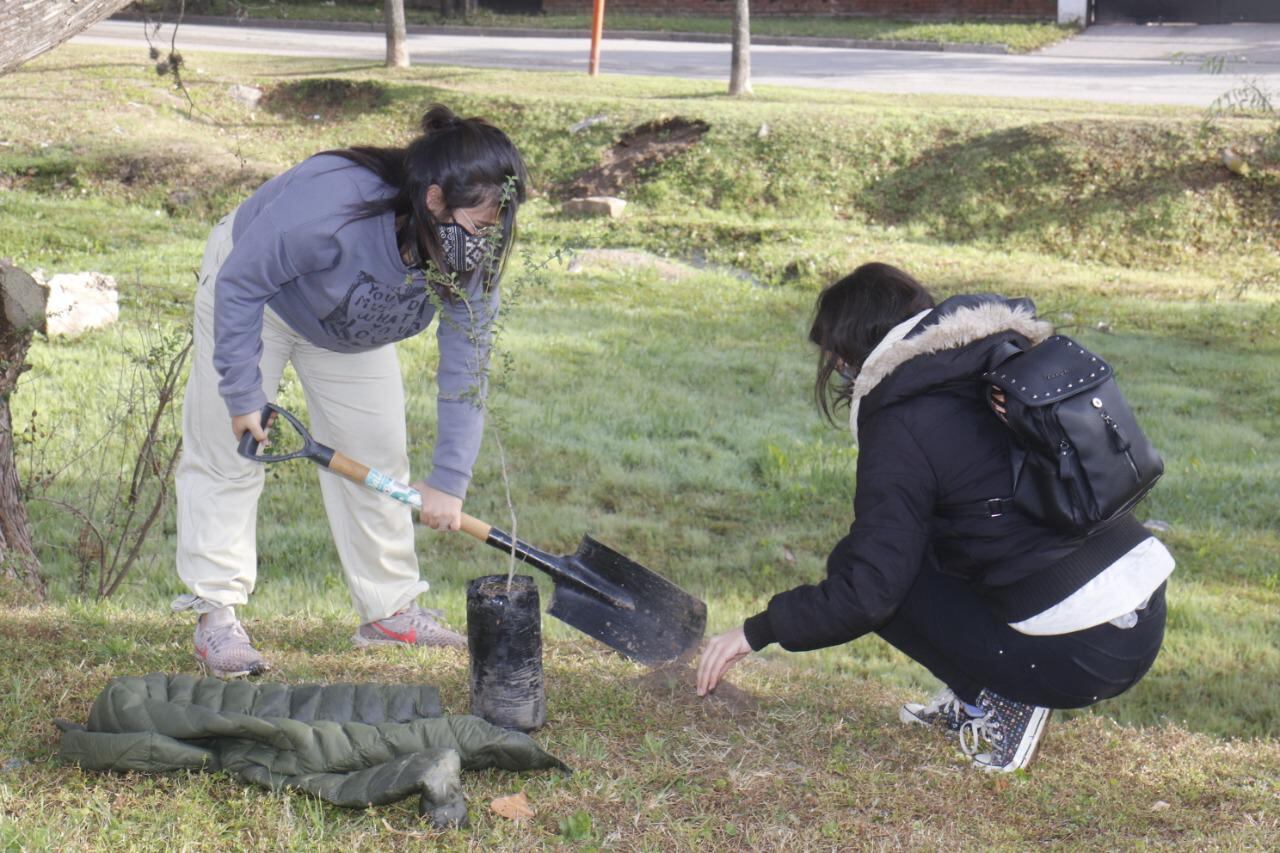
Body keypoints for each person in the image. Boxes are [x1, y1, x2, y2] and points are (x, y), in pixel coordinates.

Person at [696, 262, 1173, 772]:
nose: (837, 368)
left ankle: (1004, 701)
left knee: (863, 568)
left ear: (855, 351)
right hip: (1141, 617)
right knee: (912, 549)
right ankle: (998, 687)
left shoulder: (902, 418)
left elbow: (868, 593)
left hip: (1078, 657)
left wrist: (756, 630)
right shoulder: (990, 360)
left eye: (836, 358)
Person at [171, 105, 528, 677]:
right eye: (479, 226)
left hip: (346, 328)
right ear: (434, 200)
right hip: (259, 301)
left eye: (498, 228)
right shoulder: (330, 208)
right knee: (230, 452)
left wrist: (450, 482)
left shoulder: (469, 259)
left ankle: (388, 611)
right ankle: (217, 614)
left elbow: (466, 368)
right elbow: (240, 284)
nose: (487, 244)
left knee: (378, 457)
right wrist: (241, 396)